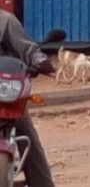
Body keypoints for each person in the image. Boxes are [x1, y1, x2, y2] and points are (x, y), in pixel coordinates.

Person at [0, 10, 57, 187]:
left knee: (27, 135)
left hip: (3, 94)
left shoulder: (4, 20)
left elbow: (26, 47)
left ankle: (43, 184)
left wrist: (38, 59)